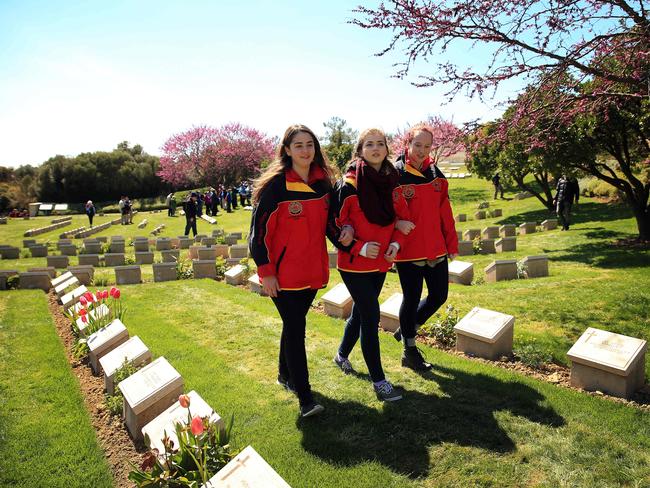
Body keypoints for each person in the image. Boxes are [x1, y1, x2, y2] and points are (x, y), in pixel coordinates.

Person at [249, 124, 352, 418]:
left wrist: (344, 237)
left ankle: (285, 375)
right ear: (287, 151)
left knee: (293, 325)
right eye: (299, 145)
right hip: (281, 275)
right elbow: (257, 235)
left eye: (310, 144)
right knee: (296, 330)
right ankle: (305, 398)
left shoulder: (323, 184)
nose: (306, 151)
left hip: (312, 270)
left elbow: (330, 223)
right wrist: (266, 271)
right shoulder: (275, 186)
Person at [329, 128, 413, 401]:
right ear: (360, 150)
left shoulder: (392, 180)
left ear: (387, 149)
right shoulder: (349, 183)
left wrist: (396, 243)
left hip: (380, 262)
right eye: (369, 144)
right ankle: (379, 381)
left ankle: (341, 356)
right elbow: (336, 225)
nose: (375, 148)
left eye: (380, 144)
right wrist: (359, 246)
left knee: (360, 313)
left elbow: (403, 217)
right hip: (354, 263)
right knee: (370, 315)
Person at [392, 124, 459, 371]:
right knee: (411, 298)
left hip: (436, 248)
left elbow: (445, 213)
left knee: (439, 295)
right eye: (417, 145)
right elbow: (386, 211)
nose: (421, 151)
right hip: (408, 249)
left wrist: (451, 244)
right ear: (408, 144)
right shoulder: (395, 174)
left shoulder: (436, 174)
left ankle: (407, 328)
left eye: (427, 146)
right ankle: (409, 350)